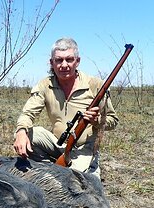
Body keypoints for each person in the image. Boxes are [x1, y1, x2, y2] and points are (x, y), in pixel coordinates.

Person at [13, 37, 119, 177]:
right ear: (52, 63)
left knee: (75, 180)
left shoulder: (96, 85)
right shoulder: (45, 85)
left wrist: (96, 121)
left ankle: (83, 167)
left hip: (84, 149)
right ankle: (51, 167)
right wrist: (21, 132)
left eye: (69, 59)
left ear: (77, 61)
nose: (64, 65)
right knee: (26, 134)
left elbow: (113, 121)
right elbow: (28, 113)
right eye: (59, 60)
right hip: (58, 144)